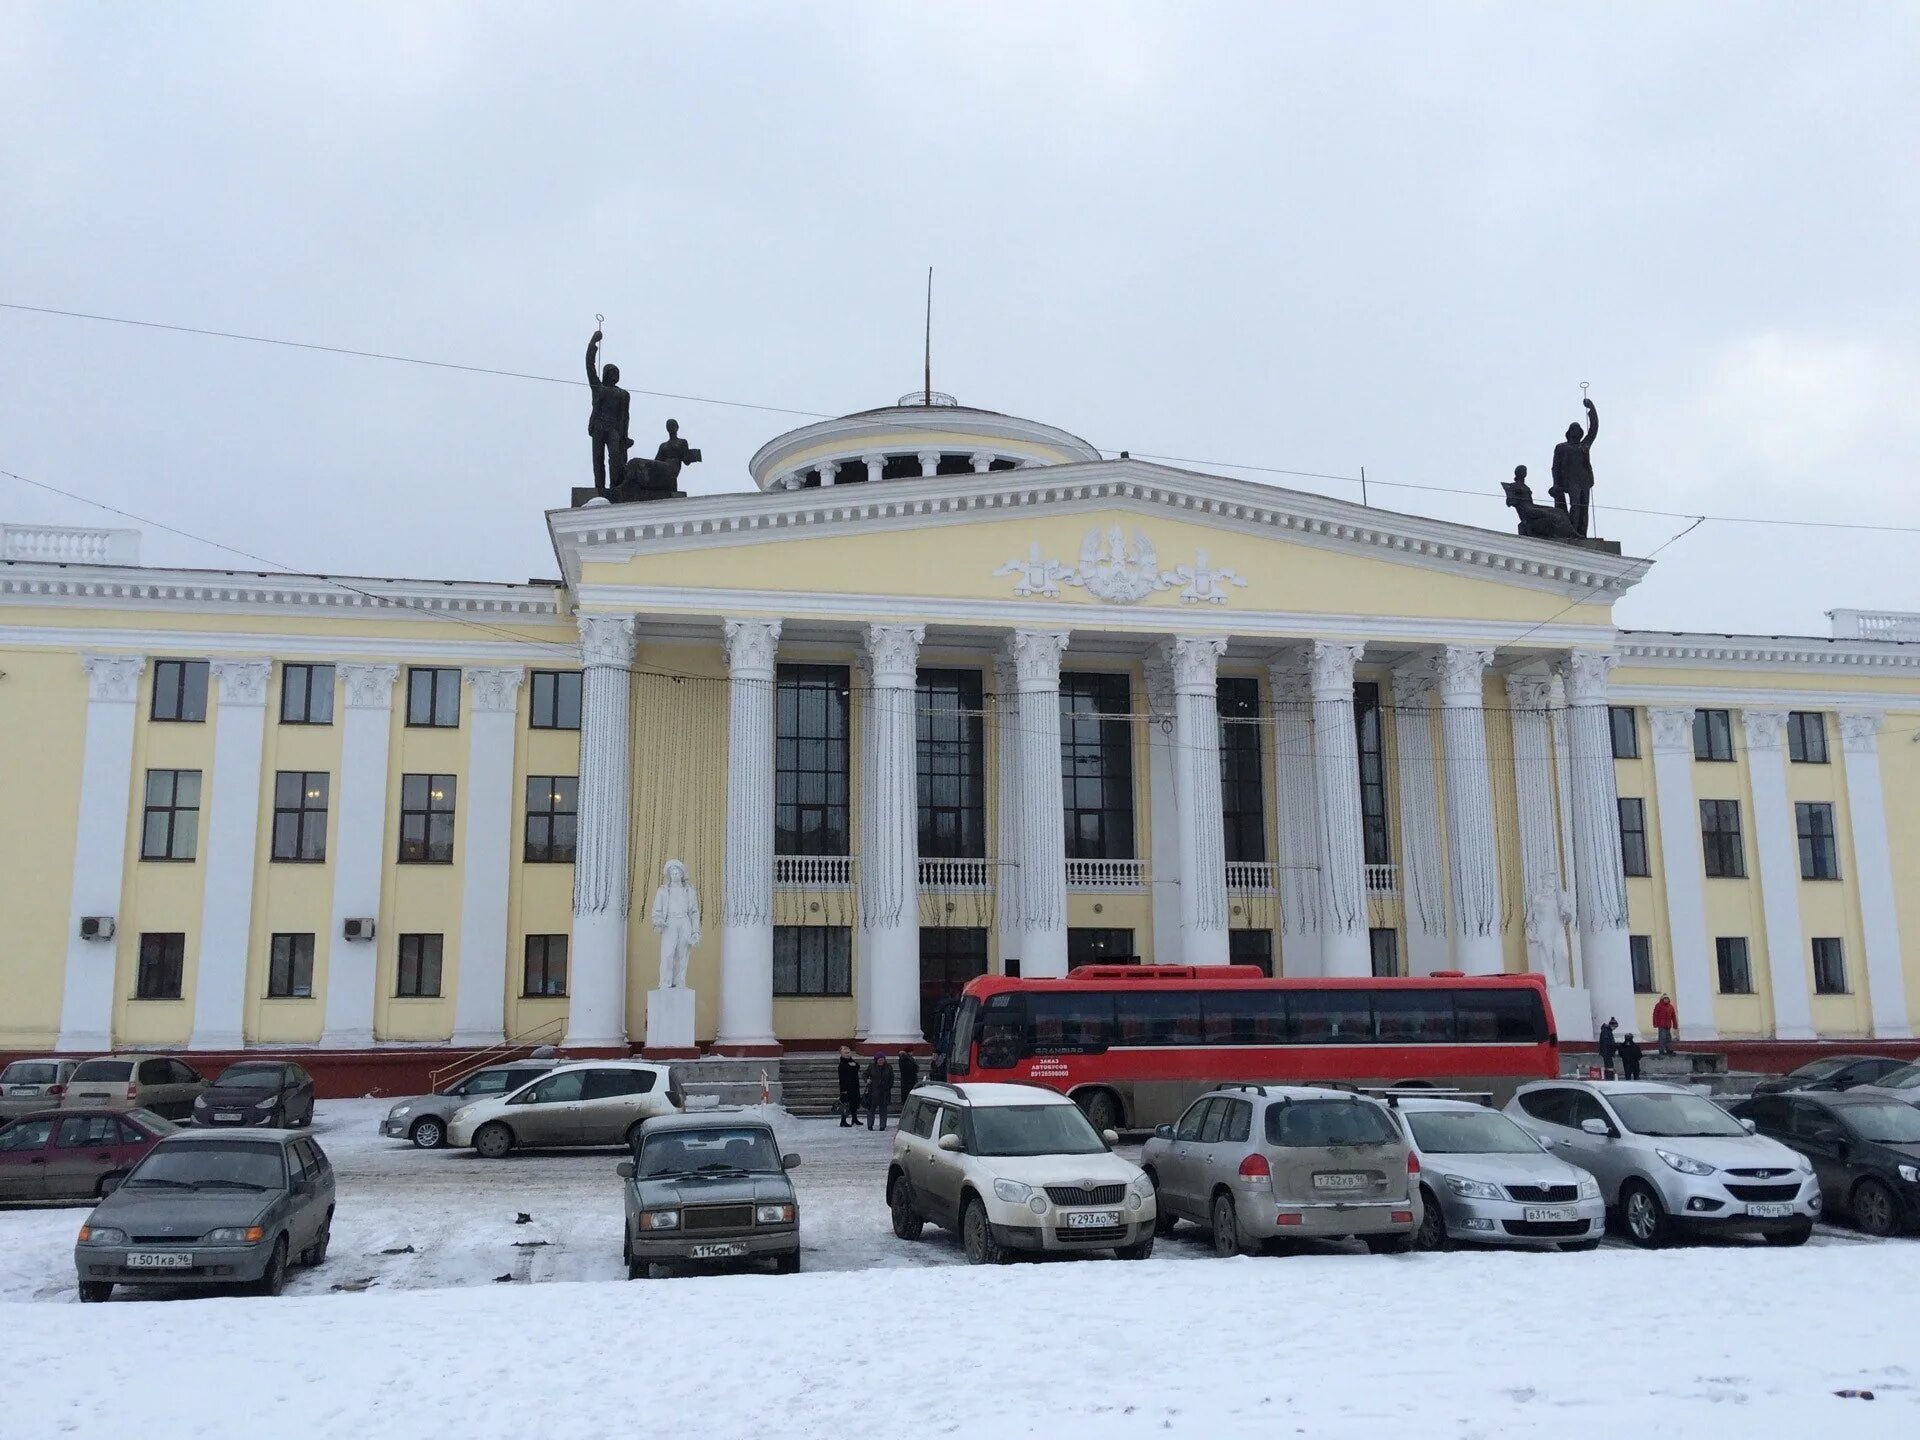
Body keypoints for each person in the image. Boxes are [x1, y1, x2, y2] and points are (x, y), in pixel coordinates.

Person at [584, 329, 631, 491]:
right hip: (598, 426)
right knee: (598, 459)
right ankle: (600, 488)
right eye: (613, 372)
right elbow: (589, 366)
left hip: (614, 429)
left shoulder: (623, 394)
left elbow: (625, 417)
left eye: (617, 373)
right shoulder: (599, 388)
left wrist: (625, 436)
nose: (616, 375)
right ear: (606, 374)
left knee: (615, 458)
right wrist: (593, 343)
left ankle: (615, 486)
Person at [1549, 397, 1599, 537]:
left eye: (1578, 429)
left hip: (1584, 479)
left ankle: (1582, 533)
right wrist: (1556, 483)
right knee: (1575, 505)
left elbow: (1594, 428)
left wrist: (1591, 408)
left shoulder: (1584, 445)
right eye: (1573, 429)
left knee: (1584, 507)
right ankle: (1573, 532)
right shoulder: (1561, 447)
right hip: (1570, 480)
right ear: (1569, 432)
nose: (1576, 431)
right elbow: (1555, 467)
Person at [866, 1052, 894, 1131]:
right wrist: (867, 1080)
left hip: (884, 1092)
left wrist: (888, 1087)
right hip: (873, 1092)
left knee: (883, 1110)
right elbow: (865, 1074)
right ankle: (870, 1125)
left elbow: (891, 1078)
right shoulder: (871, 1067)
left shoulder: (889, 1067)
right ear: (876, 1060)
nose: (881, 1061)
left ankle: (882, 1126)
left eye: (882, 1060)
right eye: (879, 1060)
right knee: (871, 1109)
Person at [836, 1045, 862, 1128]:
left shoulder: (851, 1061)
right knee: (846, 1104)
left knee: (855, 1102)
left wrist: (854, 1065)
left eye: (848, 1053)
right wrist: (843, 1090)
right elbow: (843, 1077)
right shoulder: (842, 1064)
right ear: (842, 1054)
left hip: (854, 1086)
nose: (847, 1054)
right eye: (845, 1053)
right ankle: (843, 1121)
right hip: (846, 1088)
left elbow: (857, 1066)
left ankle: (854, 1118)